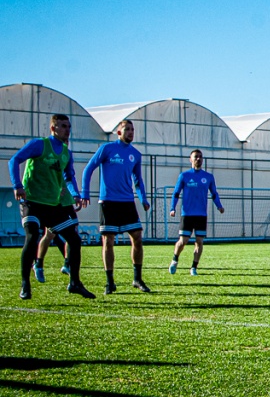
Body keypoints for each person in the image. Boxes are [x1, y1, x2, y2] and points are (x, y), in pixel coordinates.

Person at [7, 113, 95, 299]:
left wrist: (76, 194)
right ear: (53, 128)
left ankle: (75, 283)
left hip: (53, 205)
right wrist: (17, 186)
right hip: (32, 202)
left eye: (69, 126)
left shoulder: (66, 153)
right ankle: (25, 285)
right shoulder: (39, 144)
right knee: (32, 236)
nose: (67, 130)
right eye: (63, 126)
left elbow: (68, 177)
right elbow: (14, 160)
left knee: (75, 240)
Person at [82, 119, 151, 295]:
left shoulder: (135, 154)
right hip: (108, 202)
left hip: (127, 202)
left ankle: (137, 279)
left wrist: (143, 198)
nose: (130, 132)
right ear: (118, 132)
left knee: (137, 236)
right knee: (108, 240)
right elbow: (88, 169)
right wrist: (85, 193)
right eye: (127, 129)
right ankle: (110, 282)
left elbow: (138, 180)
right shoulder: (107, 149)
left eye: (132, 129)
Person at [168, 149, 225, 276]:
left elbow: (214, 193)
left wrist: (219, 206)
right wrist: (173, 208)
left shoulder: (208, 177)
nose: (198, 159)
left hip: (201, 215)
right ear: (190, 159)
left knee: (199, 241)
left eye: (200, 157)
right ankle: (175, 259)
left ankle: (194, 267)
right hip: (187, 214)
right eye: (195, 157)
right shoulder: (184, 176)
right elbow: (176, 193)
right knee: (183, 241)